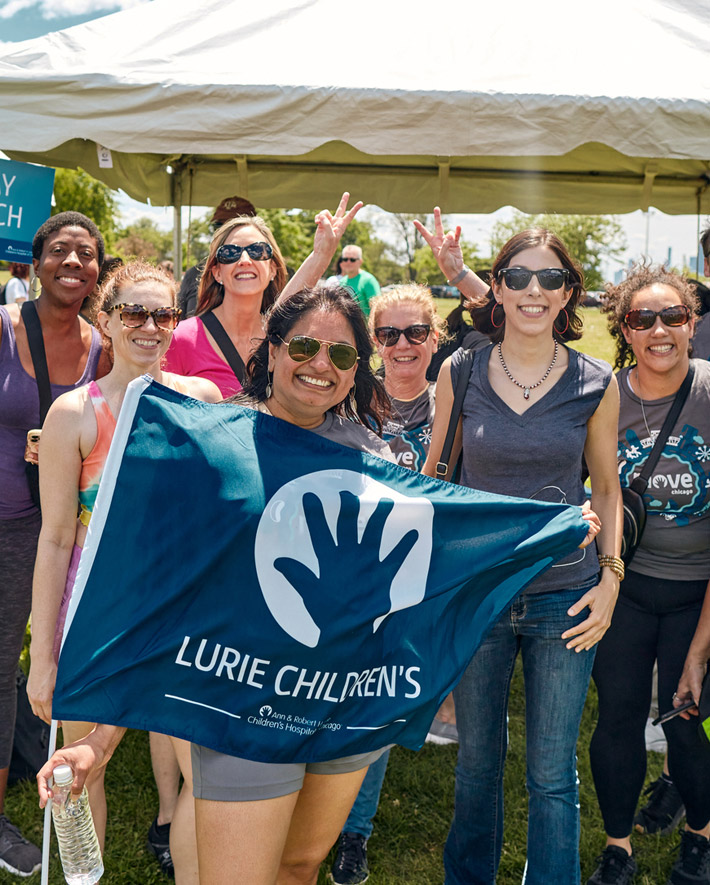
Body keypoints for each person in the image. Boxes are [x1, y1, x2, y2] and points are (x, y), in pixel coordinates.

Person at [37, 284, 401, 885]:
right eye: (305, 345)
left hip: (341, 708)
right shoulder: (213, 442)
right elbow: (169, 602)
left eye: (341, 356)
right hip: (241, 711)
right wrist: (100, 742)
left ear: (358, 370)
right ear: (272, 349)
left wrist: (545, 532)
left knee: (300, 867)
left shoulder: (375, 459)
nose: (320, 365)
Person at [416, 209, 622, 885]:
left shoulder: (596, 381)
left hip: (565, 594)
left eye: (551, 277)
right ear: (497, 289)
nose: (535, 289)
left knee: (551, 772)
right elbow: (434, 482)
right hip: (478, 593)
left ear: (569, 292)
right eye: (520, 276)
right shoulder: (461, 372)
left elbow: (609, 491)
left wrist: (611, 582)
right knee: (476, 764)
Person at [27, 261, 221, 882]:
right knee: (81, 772)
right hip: (94, 610)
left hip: (185, 614)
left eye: (163, 315)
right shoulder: (71, 414)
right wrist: (43, 659)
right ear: (104, 321)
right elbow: (55, 539)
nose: (149, 326)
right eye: (133, 313)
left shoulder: (205, 401)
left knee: (206, 777)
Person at [587, 266, 710, 885]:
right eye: (642, 319)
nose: (659, 330)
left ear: (692, 324)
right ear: (624, 330)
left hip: (700, 593)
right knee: (619, 716)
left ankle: (700, 836)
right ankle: (618, 848)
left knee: (686, 721)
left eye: (672, 317)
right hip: (628, 586)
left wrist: (699, 648)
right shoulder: (605, 394)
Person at [0, 211, 109, 878]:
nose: (74, 262)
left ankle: (49, 764)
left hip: (71, 534)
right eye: (61, 250)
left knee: (56, 668)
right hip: (8, 523)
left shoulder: (104, 345)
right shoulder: (3, 327)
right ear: (37, 261)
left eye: (87, 254)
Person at [330, 283, 444, 885]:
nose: (402, 345)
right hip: (353, 582)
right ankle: (339, 825)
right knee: (351, 704)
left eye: (415, 333)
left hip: (429, 582)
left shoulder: (457, 405)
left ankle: (352, 830)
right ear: (373, 341)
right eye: (388, 334)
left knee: (382, 708)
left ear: (434, 339)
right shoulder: (347, 399)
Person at [165, 193, 363, 397]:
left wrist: (322, 254)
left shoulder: (284, 342)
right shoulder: (180, 339)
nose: (244, 259)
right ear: (216, 272)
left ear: (273, 270)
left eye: (258, 250)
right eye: (230, 252)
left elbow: (283, 312)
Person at [177, 195, 257, 318]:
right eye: (219, 227)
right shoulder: (194, 274)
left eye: (235, 227)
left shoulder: (278, 274)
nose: (225, 234)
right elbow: (178, 324)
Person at [339, 244, 380, 317]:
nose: (348, 262)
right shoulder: (342, 282)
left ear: (360, 262)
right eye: (345, 259)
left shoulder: (368, 280)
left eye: (352, 260)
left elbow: (378, 308)